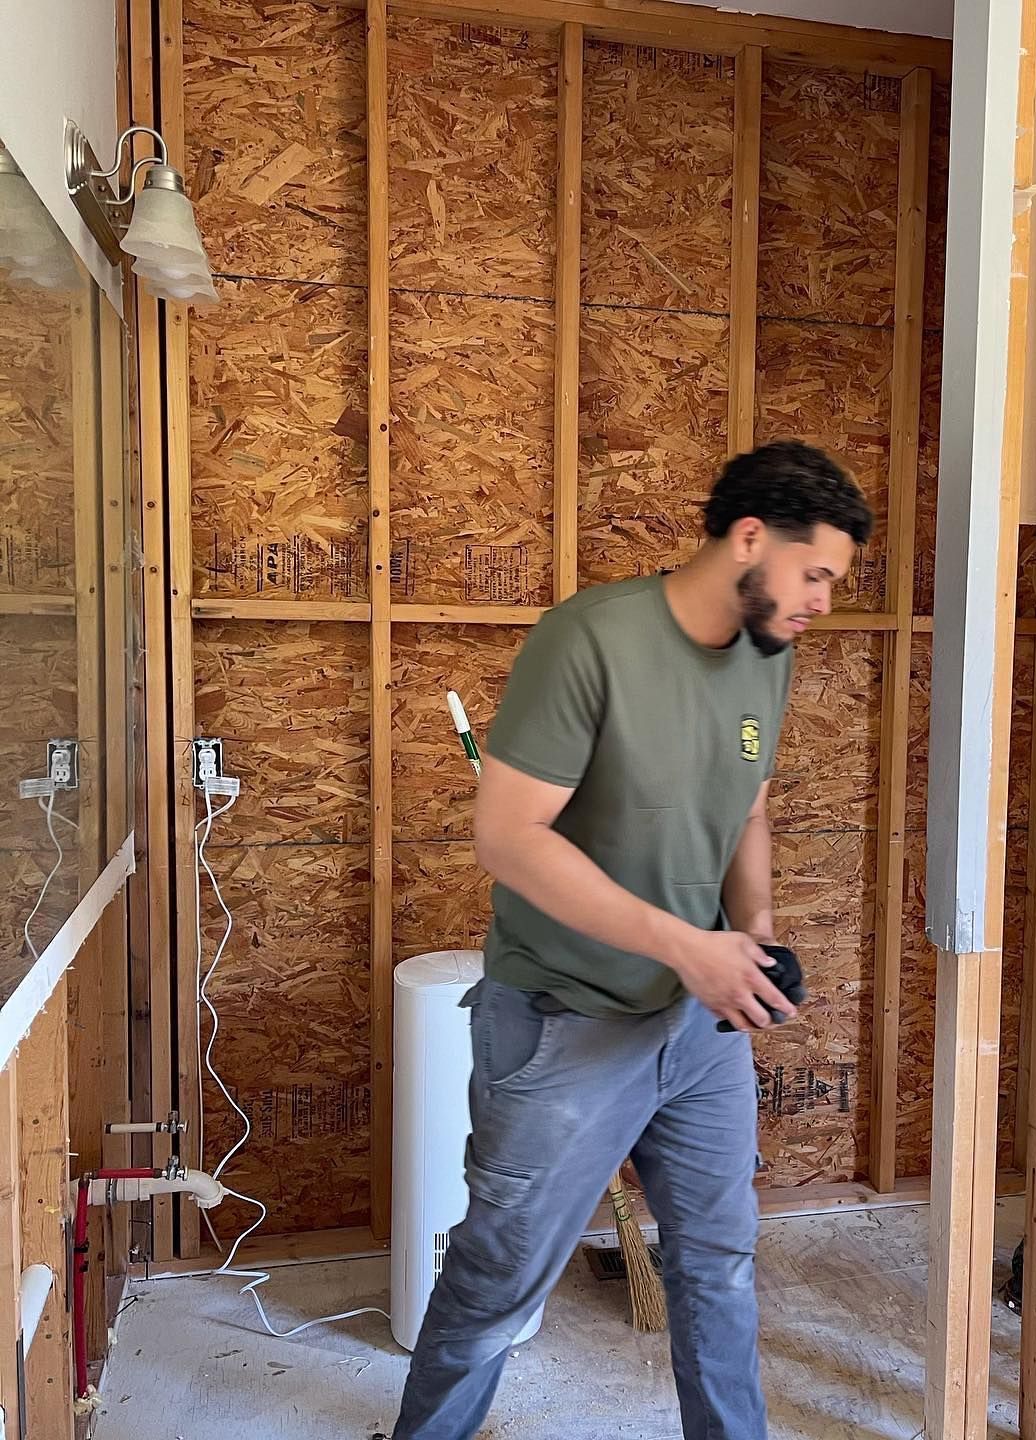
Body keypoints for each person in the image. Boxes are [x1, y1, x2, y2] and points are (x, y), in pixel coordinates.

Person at [390, 440, 874, 1440]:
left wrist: (753, 931)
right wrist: (682, 945)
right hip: (566, 1025)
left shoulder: (766, 658)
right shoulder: (591, 641)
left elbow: (748, 809)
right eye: (815, 573)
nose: (824, 599)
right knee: (497, 1280)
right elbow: (506, 836)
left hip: (699, 1031)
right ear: (750, 538)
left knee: (719, 1266)